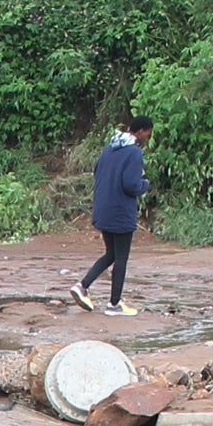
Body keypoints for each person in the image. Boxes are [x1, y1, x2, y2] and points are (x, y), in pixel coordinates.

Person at [75, 116, 151, 315]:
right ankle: (114, 304)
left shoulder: (110, 148)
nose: (147, 138)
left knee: (111, 253)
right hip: (120, 212)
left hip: (103, 209)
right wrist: (145, 185)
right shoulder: (134, 152)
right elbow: (131, 184)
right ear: (141, 131)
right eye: (147, 134)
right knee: (121, 258)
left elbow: (97, 172)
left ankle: (82, 286)